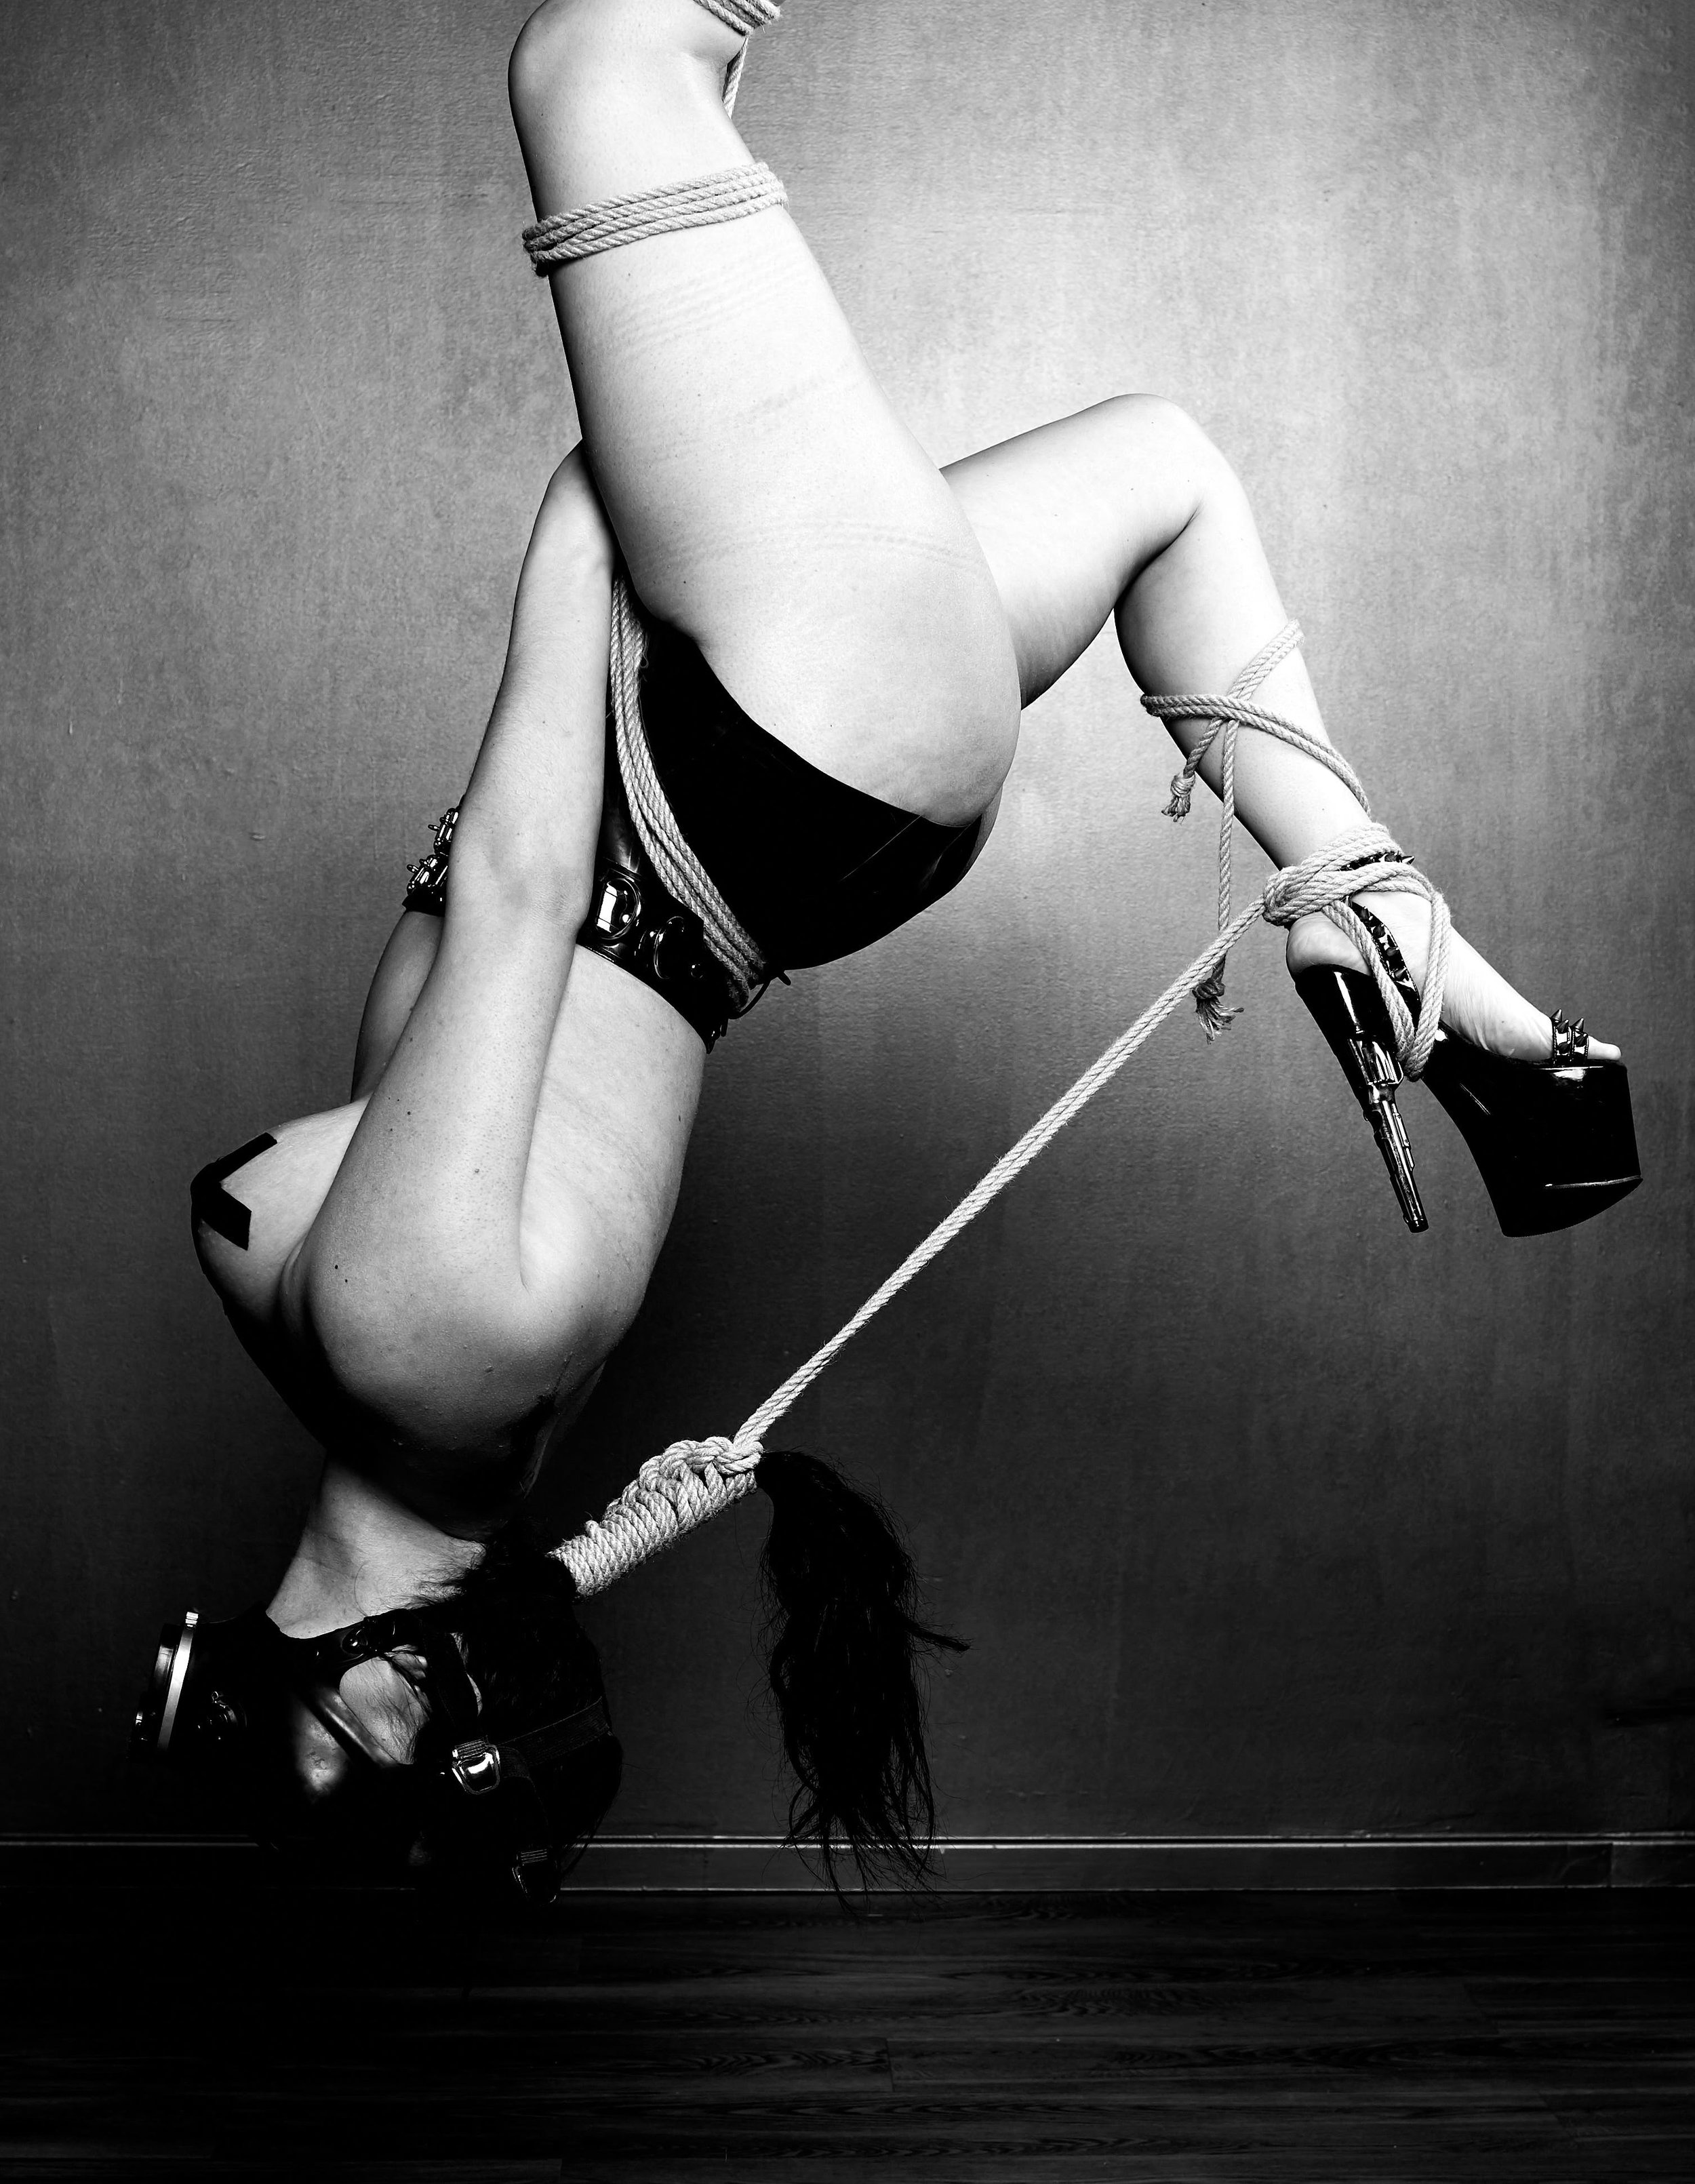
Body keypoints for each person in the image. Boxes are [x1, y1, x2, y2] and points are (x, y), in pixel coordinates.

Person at [133, 0, 1638, 1901]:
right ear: (390, 1695)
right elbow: (513, 886)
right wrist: (580, 532)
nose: (250, 1739)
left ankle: (1394, 940)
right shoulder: (417, 1352)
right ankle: (1386, 940)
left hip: (811, 790)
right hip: (761, 748)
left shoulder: (434, 1416)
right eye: (311, 1760)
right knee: (600, 65)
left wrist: (564, 1575)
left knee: (1163, 476)